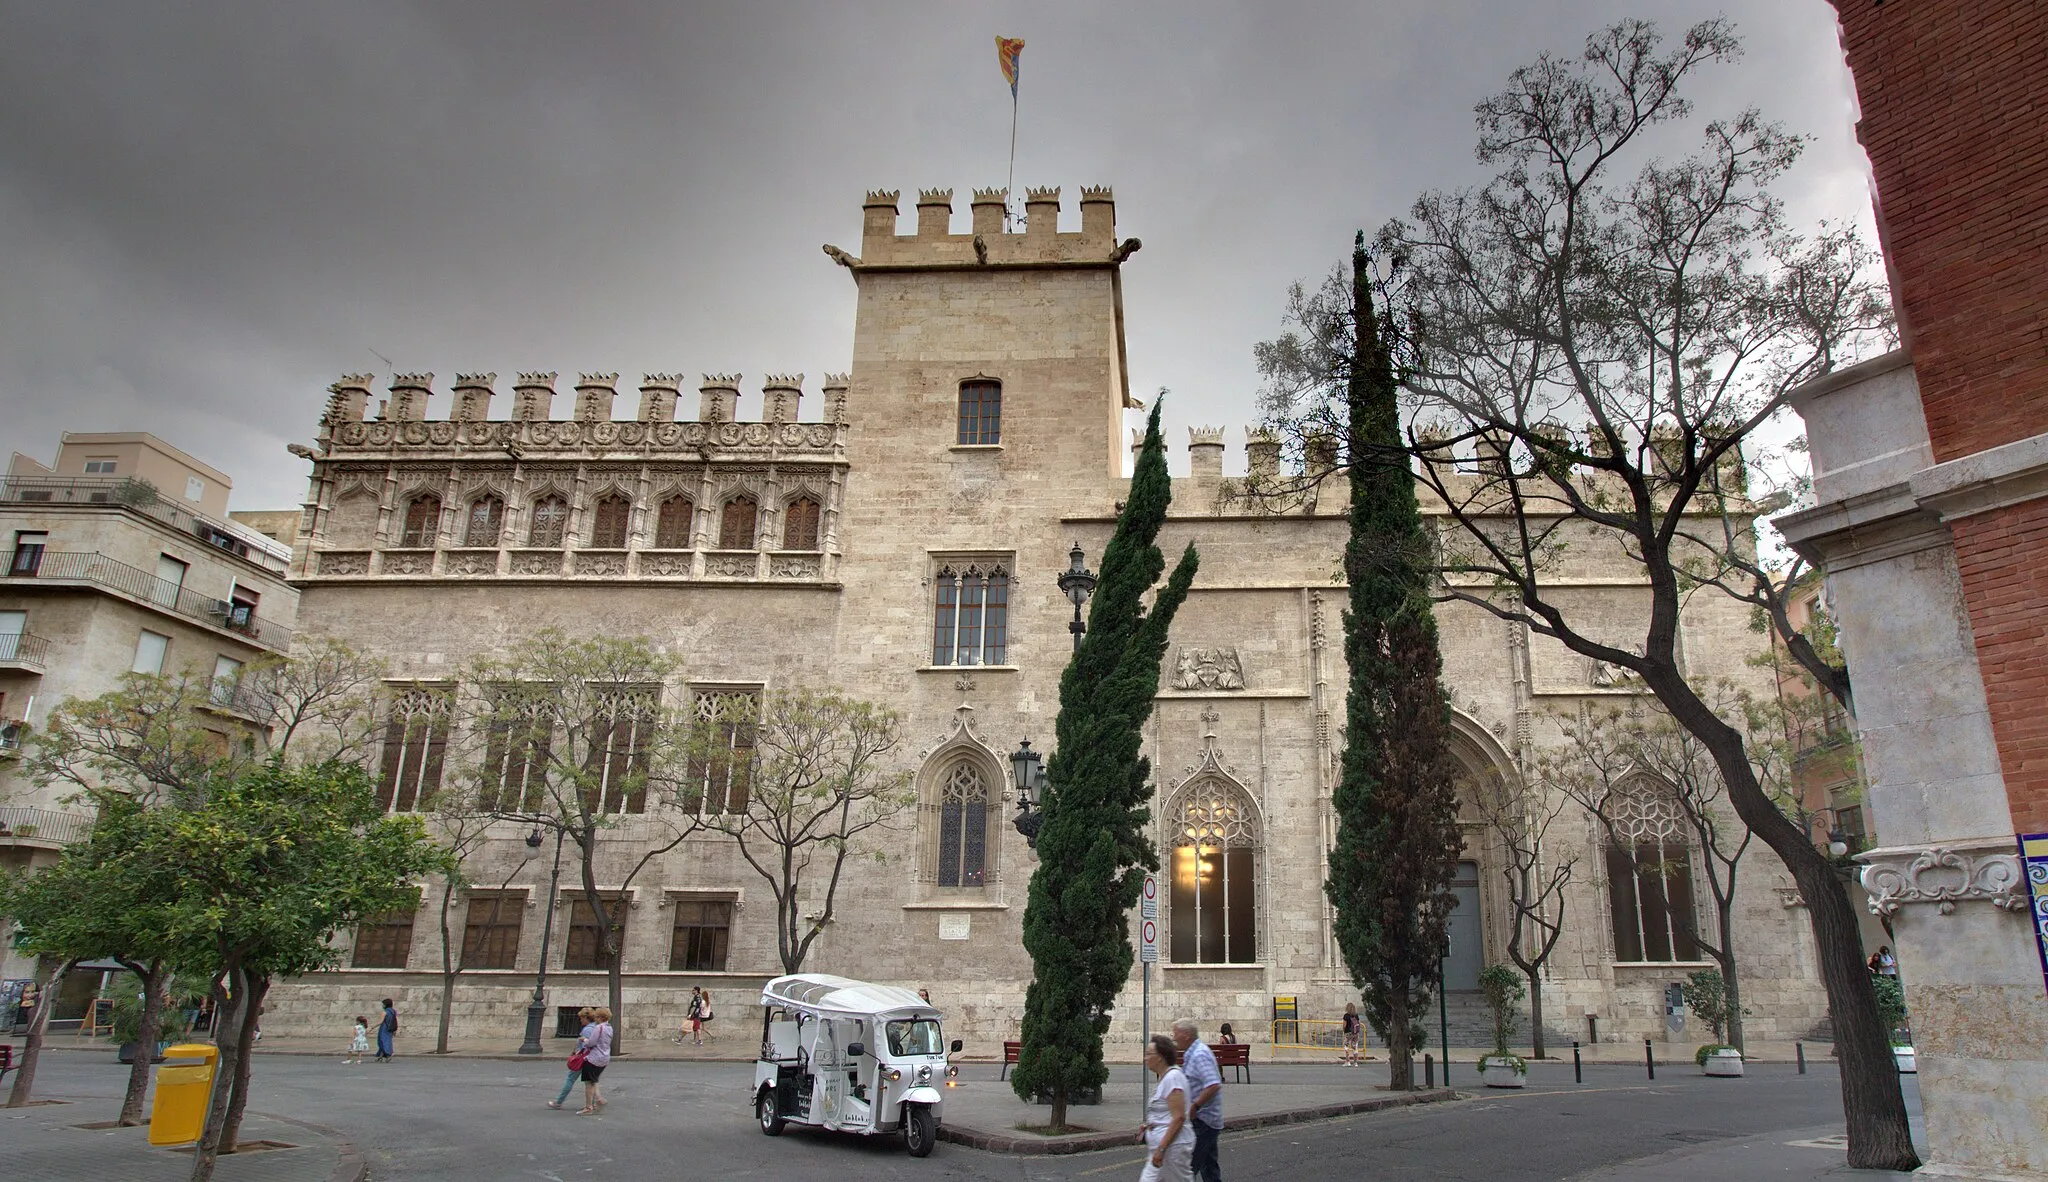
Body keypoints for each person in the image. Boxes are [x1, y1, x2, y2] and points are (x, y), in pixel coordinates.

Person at [1171, 1019, 1223, 1182]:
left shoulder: (1199, 1054)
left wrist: (1195, 1105)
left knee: (1186, 1169)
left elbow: (1213, 1084)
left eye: (1176, 1033)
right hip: (1207, 1120)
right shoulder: (1193, 1053)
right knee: (1209, 1168)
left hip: (1203, 1121)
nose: (1174, 1037)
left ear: (1186, 1035)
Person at [1140, 1033, 1194, 1182]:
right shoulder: (1165, 1078)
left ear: (1160, 1057)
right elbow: (1166, 1113)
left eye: (1148, 1054)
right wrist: (1150, 1125)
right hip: (1162, 1148)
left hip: (1172, 1148)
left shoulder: (1173, 1078)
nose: (1145, 1058)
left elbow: (1179, 1117)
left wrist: (1162, 1149)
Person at [549, 1007, 596, 1109]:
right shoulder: (595, 1027)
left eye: (582, 1018)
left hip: (583, 1058)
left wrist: (576, 1052)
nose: (580, 1020)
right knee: (589, 1082)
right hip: (590, 1058)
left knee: (571, 1079)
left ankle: (559, 1101)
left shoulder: (588, 1029)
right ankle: (593, 1103)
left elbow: (586, 1045)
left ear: (586, 1018)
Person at [574, 1006, 614, 1115]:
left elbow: (591, 1042)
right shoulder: (609, 1027)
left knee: (589, 1083)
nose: (595, 1018)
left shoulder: (598, 1028)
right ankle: (597, 1100)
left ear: (600, 1017)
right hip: (605, 1057)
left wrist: (584, 1039)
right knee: (594, 1080)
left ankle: (588, 1106)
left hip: (594, 1058)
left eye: (596, 1016)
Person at [375, 998, 398, 1063]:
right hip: (390, 1028)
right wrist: (395, 1030)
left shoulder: (385, 1012)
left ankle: (388, 1055)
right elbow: (395, 1021)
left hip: (384, 1028)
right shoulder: (393, 1011)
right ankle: (381, 1056)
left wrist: (372, 1027)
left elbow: (381, 1021)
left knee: (382, 1042)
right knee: (387, 1041)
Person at [1340, 1002, 1363, 1066]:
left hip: (1348, 1033)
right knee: (1355, 1047)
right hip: (1355, 1033)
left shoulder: (1346, 1015)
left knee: (1346, 1046)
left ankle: (1348, 1061)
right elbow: (1359, 1023)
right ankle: (1355, 1063)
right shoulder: (1356, 1015)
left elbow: (1344, 1025)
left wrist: (1344, 1031)